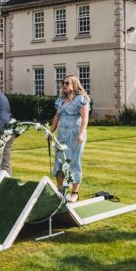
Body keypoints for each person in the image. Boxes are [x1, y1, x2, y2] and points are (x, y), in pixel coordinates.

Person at [49, 74, 90, 203]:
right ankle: (60, 190)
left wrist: (81, 133)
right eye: (63, 83)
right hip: (62, 135)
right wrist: (50, 132)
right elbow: (57, 117)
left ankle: (74, 193)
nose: (64, 85)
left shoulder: (81, 99)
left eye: (66, 83)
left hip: (75, 135)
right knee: (59, 161)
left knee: (74, 162)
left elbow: (85, 118)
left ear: (73, 84)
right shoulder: (61, 100)